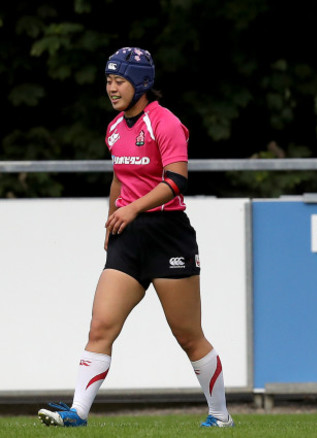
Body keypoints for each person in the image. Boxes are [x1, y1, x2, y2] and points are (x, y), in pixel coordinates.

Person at [37, 47, 233, 428]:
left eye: (120, 81)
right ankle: (78, 412)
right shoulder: (113, 128)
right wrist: (113, 217)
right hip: (128, 238)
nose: (112, 89)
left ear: (141, 83)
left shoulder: (166, 123)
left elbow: (176, 181)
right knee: (100, 326)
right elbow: (119, 178)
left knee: (189, 336)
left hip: (168, 236)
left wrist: (133, 208)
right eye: (109, 81)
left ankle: (220, 415)